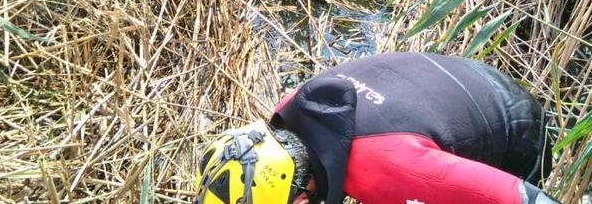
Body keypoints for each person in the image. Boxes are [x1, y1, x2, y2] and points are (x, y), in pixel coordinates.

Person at [194, 52, 559, 204]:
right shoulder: (289, 111)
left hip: (513, 125)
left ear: (302, 200)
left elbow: (522, 198)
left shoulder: (384, 172)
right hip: (452, 78)